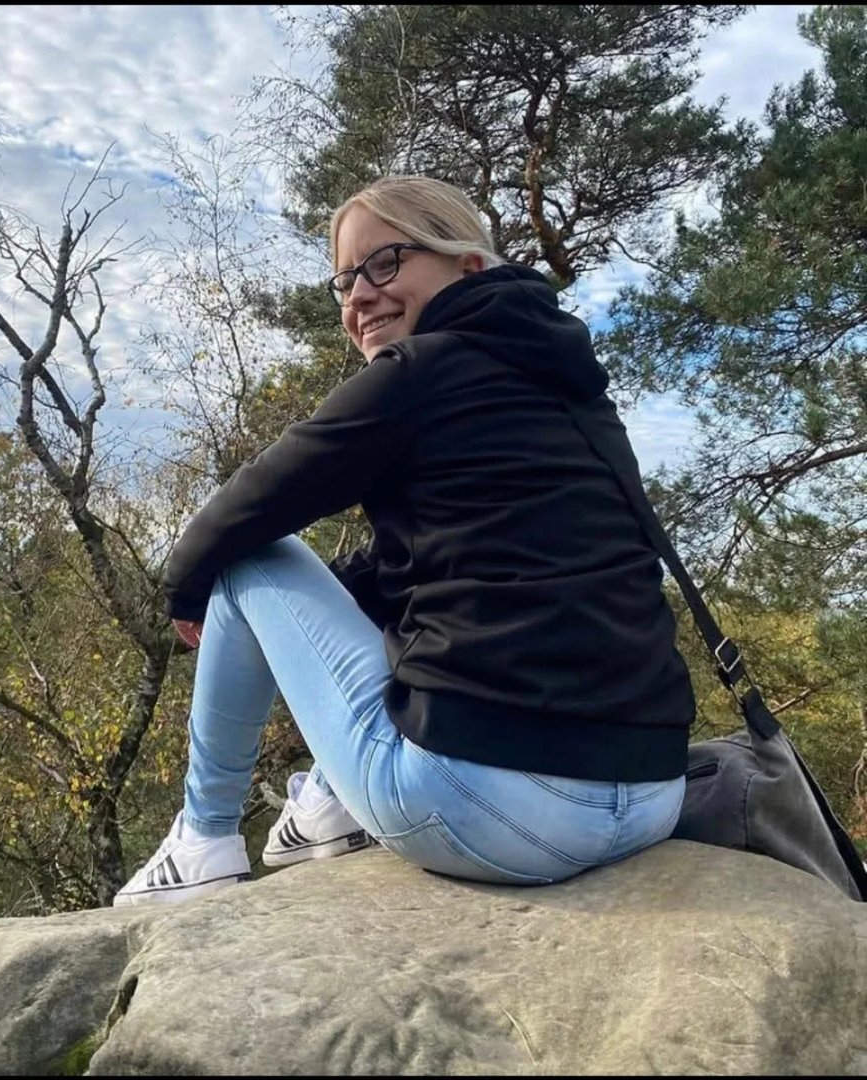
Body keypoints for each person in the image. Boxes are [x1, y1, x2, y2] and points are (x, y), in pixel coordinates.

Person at [113, 176, 695, 906]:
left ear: (468, 266)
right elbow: (426, 563)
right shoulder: (576, 392)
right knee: (392, 599)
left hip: (492, 813)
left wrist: (186, 588)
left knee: (250, 558)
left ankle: (204, 840)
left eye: (385, 263)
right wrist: (306, 614)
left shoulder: (420, 370)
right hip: (652, 797)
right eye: (345, 280)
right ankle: (328, 807)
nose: (359, 295)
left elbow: (247, 507)